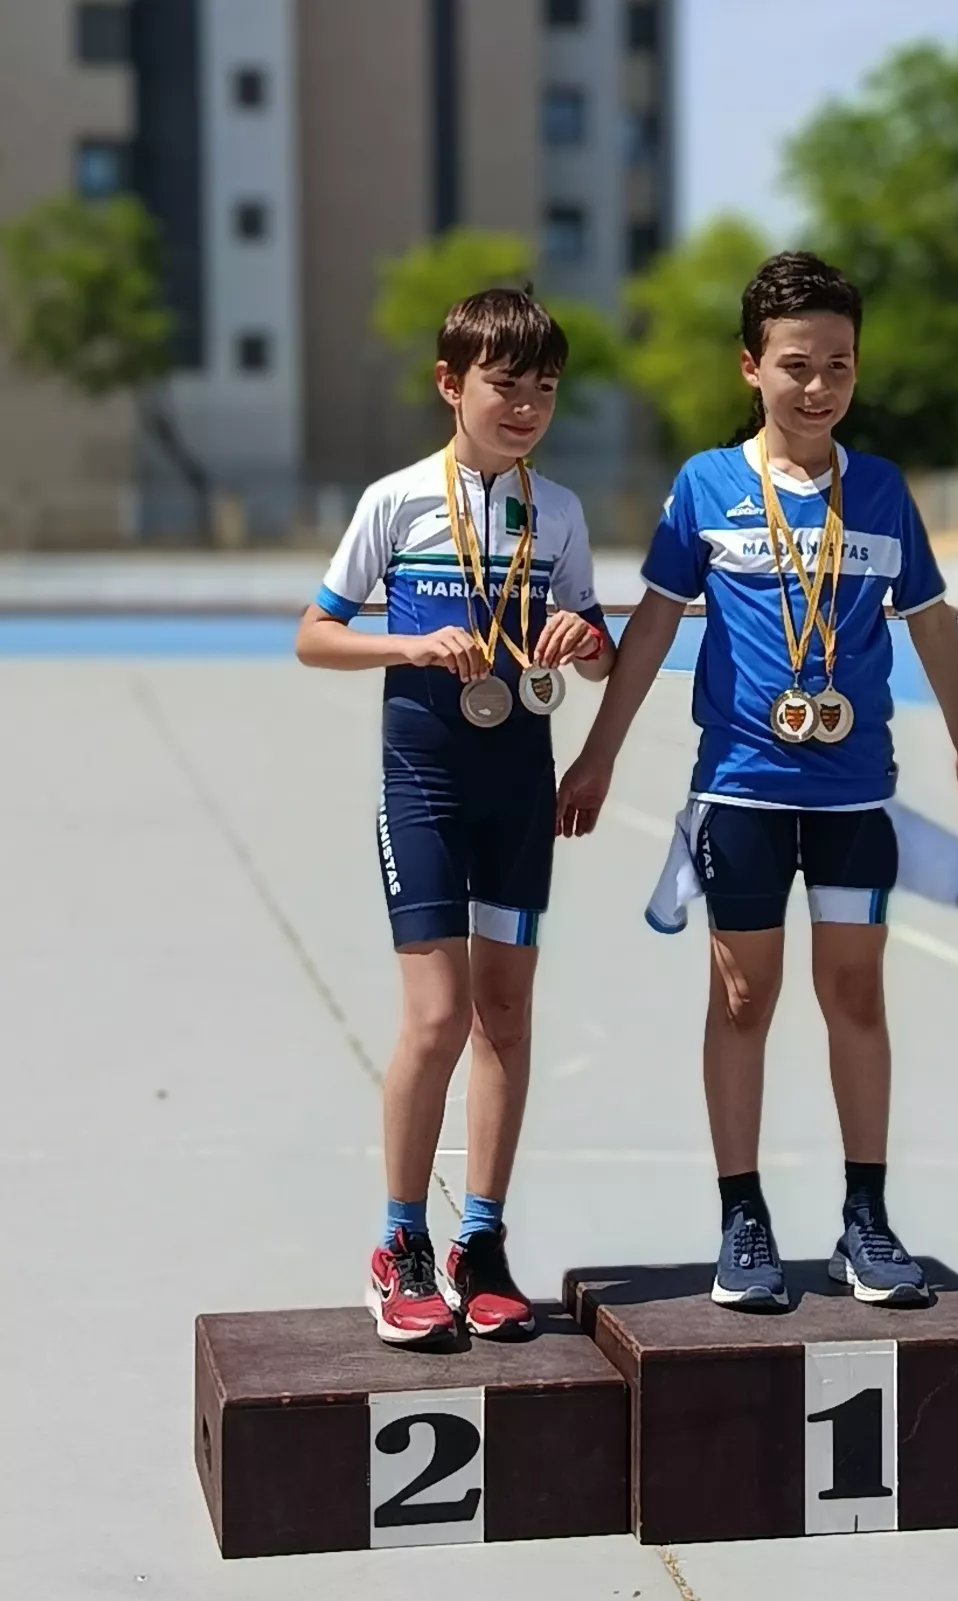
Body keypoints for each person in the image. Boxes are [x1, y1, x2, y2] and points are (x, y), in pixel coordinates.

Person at [556, 251, 958, 1311]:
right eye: (796, 365)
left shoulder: (884, 491)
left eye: (839, 366)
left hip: (854, 795)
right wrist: (599, 751)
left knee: (855, 993)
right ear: (749, 367)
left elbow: (930, 624)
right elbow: (659, 622)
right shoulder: (706, 487)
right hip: (743, 792)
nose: (818, 387)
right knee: (742, 996)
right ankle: (741, 1216)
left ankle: (865, 1217)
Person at [294, 288, 614, 1346]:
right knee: (435, 1017)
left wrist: (581, 636)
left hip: (518, 782)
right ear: (450, 384)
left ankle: (480, 1240)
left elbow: (598, 643)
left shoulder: (556, 511)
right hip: (423, 783)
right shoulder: (394, 502)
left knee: (506, 1017)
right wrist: (410, 648)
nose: (523, 407)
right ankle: (400, 1243)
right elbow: (314, 635)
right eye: (502, 386)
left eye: (543, 390)